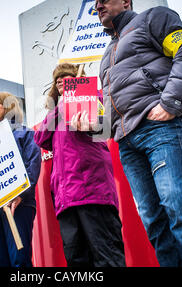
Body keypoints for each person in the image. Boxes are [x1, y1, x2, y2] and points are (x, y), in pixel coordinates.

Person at [77, 0, 182, 266]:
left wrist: (171, 103)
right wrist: (93, 125)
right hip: (127, 144)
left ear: (126, 1)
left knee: (178, 203)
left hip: (160, 130)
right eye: (96, 4)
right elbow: (112, 110)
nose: (99, 6)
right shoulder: (105, 57)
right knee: (153, 219)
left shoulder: (153, 18)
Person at [34, 63, 125, 267]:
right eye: (57, 80)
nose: (60, 81)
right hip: (66, 199)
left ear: (77, 80)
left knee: (107, 256)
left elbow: (107, 126)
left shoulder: (93, 98)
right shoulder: (56, 114)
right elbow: (40, 138)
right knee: (76, 261)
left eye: (65, 77)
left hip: (93, 192)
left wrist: (82, 106)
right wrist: (61, 106)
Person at [0, 91, 41, 267]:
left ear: (9, 106)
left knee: (19, 259)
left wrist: (21, 195)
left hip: (17, 204)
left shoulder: (25, 134)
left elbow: (32, 166)